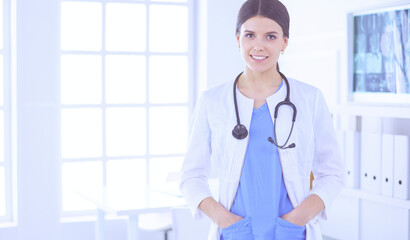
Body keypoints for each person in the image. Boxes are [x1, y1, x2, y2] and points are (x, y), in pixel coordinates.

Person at [180, 0, 345, 239]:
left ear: (284, 42)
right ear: (238, 39)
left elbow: (332, 173)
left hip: (291, 232)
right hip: (235, 232)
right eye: (250, 35)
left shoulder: (310, 99)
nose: (259, 46)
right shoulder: (212, 101)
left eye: (270, 36)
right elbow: (191, 176)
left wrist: (298, 219)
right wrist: (224, 220)